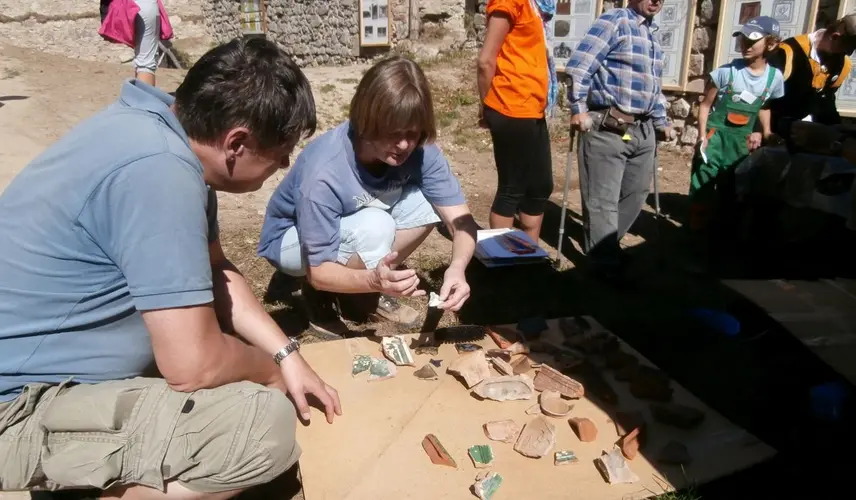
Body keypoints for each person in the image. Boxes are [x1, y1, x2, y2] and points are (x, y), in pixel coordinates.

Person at [0, 37, 341, 499]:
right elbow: (193, 364)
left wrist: (286, 354)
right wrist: (270, 373)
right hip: (18, 408)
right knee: (257, 427)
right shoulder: (161, 169)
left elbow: (216, 268)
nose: (283, 164)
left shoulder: (161, 132)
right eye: (280, 153)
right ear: (236, 142)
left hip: (49, 377)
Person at [257, 56, 478, 337]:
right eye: (394, 134)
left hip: (353, 220)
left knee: (429, 206)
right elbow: (319, 270)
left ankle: (361, 288)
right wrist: (371, 280)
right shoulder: (325, 170)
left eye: (413, 133)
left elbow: (461, 221)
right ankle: (318, 298)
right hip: (290, 240)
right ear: (366, 122)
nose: (404, 145)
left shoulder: (420, 151)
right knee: (376, 225)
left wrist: (457, 269)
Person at [564, 0, 672, 283]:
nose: (656, 1)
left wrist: (661, 121)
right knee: (602, 201)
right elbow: (579, 67)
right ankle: (603, 268)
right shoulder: (615, 21)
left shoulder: (652, 33)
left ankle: (605, 247)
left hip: (643, 129)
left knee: (636, 195)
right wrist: (578, 109)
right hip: (608, 124)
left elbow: (654, 86)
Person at [688, 16, 785, 266]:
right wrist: (701, 137)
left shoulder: (774, 79)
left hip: (742, 145)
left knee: (734, 195)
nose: (746, 44)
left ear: (771, 44)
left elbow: (764, 106)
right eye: (743, 39)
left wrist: (765, 132)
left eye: (753, 40)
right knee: (702, 190)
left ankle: (723, 248)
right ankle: (693, 246)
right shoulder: (725, 73)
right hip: (715, 138)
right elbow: (706, 106)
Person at [476, 0, 556, 242]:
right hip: (510, 105)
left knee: (541, 185)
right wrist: (486, 106)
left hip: (533, 106)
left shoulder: (536, 6)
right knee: (512, 188)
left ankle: (528, 250)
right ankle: (499, 255)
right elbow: (485, 61)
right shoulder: (509, 1)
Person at [767, 13, 856, 135]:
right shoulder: (788, 52)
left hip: (811, 135)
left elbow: (826, 100)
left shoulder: (842, 64)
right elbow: (763, 98)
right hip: (777, 133)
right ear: (835, 37)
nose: (848, 53)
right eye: (848, 47)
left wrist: (837, 128)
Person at [100, 0, 167, 87]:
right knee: (146, 64)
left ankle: (139, 96)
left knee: (142, 62)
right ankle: (144, 99)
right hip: (147, 6)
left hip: (123, 7)